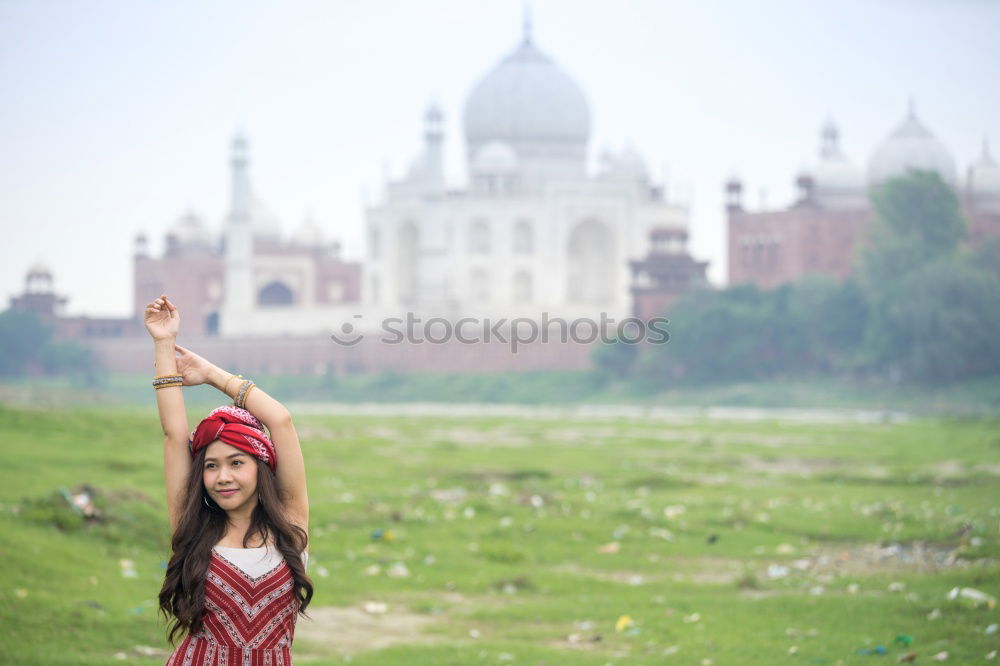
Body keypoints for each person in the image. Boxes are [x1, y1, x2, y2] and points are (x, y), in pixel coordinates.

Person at [144, 294, 313, 665]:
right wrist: (163, 342)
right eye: (210, 466)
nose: (223, 477)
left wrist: (210, 374)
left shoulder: (290, 523)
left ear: (261, 465)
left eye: (236, 463)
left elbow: (280, 420)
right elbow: (175, 435)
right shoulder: (192, 527)